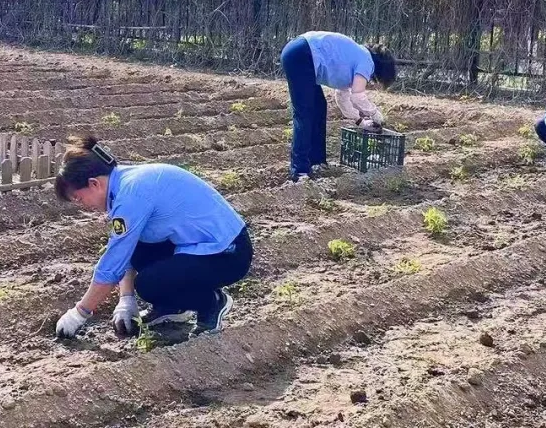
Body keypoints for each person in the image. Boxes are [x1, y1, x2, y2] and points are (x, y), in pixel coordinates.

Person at [53, 135, 253, 339]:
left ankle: (211, 302)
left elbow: (112, 266)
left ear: (94, 184)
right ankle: (173, 307)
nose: (82, 205)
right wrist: (126, 299)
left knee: (149, 284)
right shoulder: (124, 182)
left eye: (78, 198)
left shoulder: (131, 196)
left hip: (228, 253)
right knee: (140, 253)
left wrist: (79, 313)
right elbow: (126, 250)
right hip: (201, 244)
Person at [280, 31, 397, 182]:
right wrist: (376, 115)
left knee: (319, 107)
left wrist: (360, 122)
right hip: (302, 54)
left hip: (300, 52)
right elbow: (358, 96)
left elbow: (343, 98)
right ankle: (299, 170)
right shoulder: (367, 61)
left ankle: (317, 161)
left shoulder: (355, 56)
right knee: (305, 113)